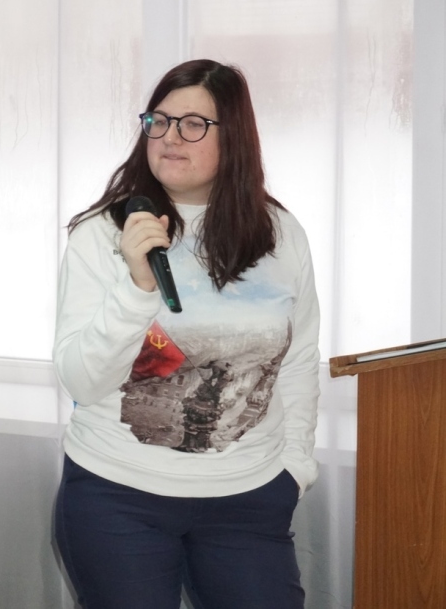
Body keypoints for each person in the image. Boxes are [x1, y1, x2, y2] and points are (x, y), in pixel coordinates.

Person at [52, 59, 320, 609]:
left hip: (249, 498)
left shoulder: (281, 234)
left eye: (194, 124)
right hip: (118, 496)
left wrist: (295, 467)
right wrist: (137, 287)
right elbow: (81, 380)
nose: (170, 137)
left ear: (234, 138)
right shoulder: (101, 234)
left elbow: (299, 358)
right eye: (160, 121)